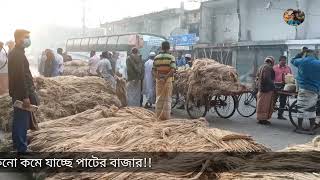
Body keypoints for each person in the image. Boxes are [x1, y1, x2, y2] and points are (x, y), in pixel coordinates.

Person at [8, 29, 40, 153]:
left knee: (18, 120)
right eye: (26, 37)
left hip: (17, 93)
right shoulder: (18, 54)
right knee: (22, 121)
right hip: (21, 94)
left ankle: (17, 144)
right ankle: (22, 148)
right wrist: (25, 96)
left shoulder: (16, 52)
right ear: (18, 39)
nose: (28, 40)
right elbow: (20, 77)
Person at [291, 49, 320, 135]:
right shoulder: (318, 63)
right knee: (311, 109)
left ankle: (300, 127)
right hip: (314, 90)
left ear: (306, 54)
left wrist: (300, 53)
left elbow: (292, 60)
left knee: (301, 108)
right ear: (314, 54)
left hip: (303, 88)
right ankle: (311, 129)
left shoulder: (301, 61)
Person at [153, 41, 176, 120]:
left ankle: (158, 116)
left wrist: (159, 77)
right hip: (168, 80)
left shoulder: (156, 57)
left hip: (159, 81)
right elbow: (172, 70)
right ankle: (165, 117)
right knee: (167, 99)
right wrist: (166, 77)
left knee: (159, 98)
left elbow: (153, 70)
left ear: (161, 47)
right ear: (169, 48)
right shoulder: (171, 57)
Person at [256, 56, 275, 125]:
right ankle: (263, 120)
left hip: (261, 89)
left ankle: (260, 118)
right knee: (265, 105)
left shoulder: (261, 67)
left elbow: (257, 76)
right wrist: (273, 85)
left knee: (260, 104)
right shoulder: (268, 67)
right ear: (271, 62)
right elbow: (267, 78)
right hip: (266, 89)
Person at [273, 56, 292, 120]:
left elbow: (291, 77)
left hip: (285, 86)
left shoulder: (288, 68)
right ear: (279, 61)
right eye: (282, 60)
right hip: (275, 86)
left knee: (283, 101)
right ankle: (268, 112)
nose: (284, 62)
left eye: (285, 60)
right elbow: (271, 78)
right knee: (273, 100)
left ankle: (280, 115)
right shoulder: (274, 68)